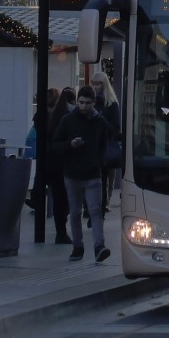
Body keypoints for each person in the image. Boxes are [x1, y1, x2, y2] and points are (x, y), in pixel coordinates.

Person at [51, 85, 111, 262]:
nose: (84, 106)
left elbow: (103, 146)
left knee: (95, 211)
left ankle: (99, 246)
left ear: (94, 103)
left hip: (92, 174)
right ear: (77, 102)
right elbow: (55, 145)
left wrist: (100, 163)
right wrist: (70, 144)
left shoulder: (99, 122)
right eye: (82, 103)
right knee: (75, 212)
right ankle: (78, 246)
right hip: (73, 173)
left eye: (88, 103)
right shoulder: (67, 120)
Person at [44, 87, 75, 244]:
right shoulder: (70, 115)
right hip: (67, 163)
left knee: (58, 198)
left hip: (52, 162)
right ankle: (63, 232)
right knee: (67, 199)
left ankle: (60, 231)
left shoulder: (52, 115)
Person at [90, 72, 122, 216]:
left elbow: (115, 127)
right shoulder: (91, 102)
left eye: (98, 84)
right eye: (94, 84)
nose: (96, 87)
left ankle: (101, 207)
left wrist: (100, 120)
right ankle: (94, 207)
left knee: (103, 180)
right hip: (92, 146)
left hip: (105, 145)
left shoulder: (111, 104)